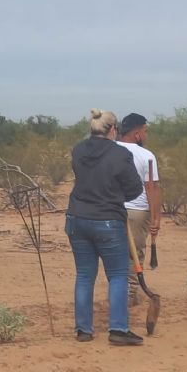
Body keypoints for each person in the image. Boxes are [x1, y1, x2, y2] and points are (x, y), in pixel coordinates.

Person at [65, 109, 144, 346]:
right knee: (118, 274)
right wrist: (117, 194)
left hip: (77, 218)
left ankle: (83, 330)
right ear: (112, 129)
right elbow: (134, 189)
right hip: (108, 220)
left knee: (85, 275)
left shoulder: (78, 150)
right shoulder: (119, 153)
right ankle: (118, 328)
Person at [116, 113, 162, 306]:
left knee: (116, 253)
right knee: (134, 254)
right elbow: (152, 187)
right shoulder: (146, 156)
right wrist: (156, 218)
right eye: (145, 131)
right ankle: (129, 294)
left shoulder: (110, 150)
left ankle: (120, 293)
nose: (146, 135)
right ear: (136, 134)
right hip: (136, 211)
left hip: (112, 209)